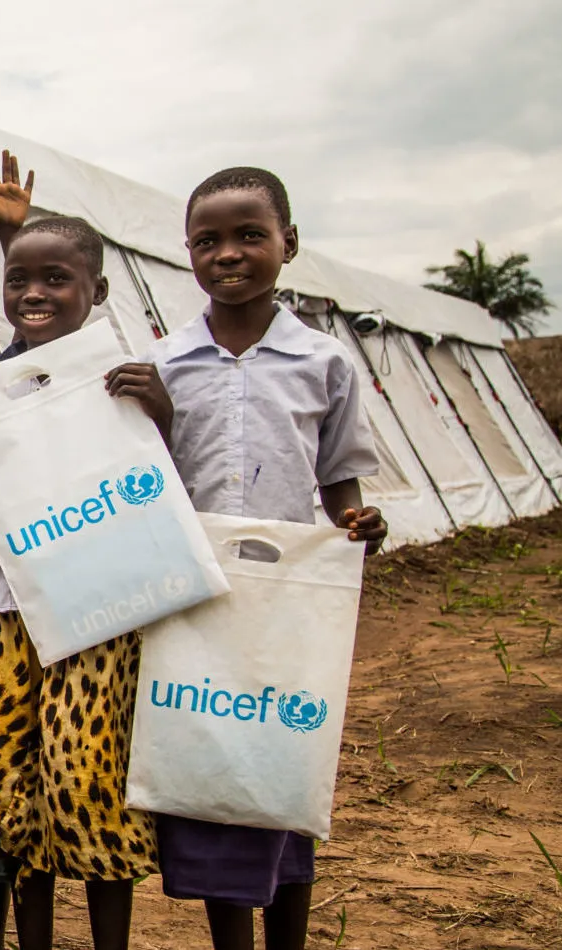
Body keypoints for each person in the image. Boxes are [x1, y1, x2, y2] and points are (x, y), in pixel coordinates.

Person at [0, 153, 162, 950]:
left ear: (97, 293)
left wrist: (164, 415)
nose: (33, 295)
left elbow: (156, 485)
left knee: (88, 785)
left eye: (56, 280)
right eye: (18, 280)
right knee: (0, 793)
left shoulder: (119, 370)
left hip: (96, 609)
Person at [142, 166, 387, 950]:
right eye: (207, 240)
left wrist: (356, 522)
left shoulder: (322, 363)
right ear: (186, 253)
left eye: (250, 234)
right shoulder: (164, 365)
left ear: (288, 243)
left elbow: (337, 477)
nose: (228, 253)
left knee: (283, 766)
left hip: (286, 606)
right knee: (213, 775)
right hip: (198, 602)